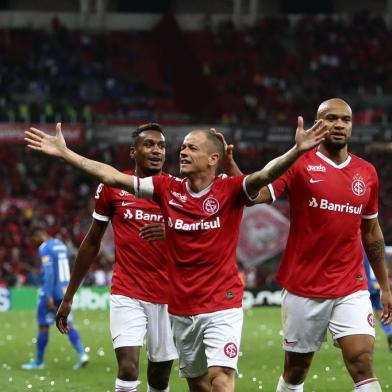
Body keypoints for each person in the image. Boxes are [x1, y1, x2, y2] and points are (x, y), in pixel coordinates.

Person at [25, 117, 329, 392]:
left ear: (212, 159)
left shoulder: (230, 188)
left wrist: (297, 150)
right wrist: (66, 154)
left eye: (190, 148)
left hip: (219, 303)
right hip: (177, 306)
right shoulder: (166, 188)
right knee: (189, 382)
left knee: (220, 379)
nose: (180, 152)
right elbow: (113, 178)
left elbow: (263, 176)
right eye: (182, 147)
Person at [236, 98, 392, 392]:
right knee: (295, 371)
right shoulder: (298, 165)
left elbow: (371, 232)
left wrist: (384, 286)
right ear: (316, 124)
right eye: (330, 118)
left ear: (351, 126)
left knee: (361, 361)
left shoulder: (367, 172)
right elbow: (252, 196)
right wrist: (295, 151)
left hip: (350, 284)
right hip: (304, 286)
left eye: (344, 120)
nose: (338, 125)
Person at [55, 123, 178, 392]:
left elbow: (201, 237)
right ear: (133, 152)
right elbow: (91, 243)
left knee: (159, 377)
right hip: (127, 291)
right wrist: (68, 296)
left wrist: (171, 231)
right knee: (128, 368)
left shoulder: (176, 190)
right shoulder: (112, 188)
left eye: (161, 146)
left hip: (169, 296)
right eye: (149, 145)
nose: (156, 150)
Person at [21, 227, 89, 370]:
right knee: (67, 323)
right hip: (64, 291)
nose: (34, 244)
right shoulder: (60, 244)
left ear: (39, 235)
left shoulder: (44, 248)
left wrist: (48, 294)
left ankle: (38, 362)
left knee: (43, 325)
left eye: (34, 240)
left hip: (52, 292)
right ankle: (82, 354)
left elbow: (50, 272)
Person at [364, 252, 392, 352]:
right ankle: (389, 332)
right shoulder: (378, 244)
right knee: (379, 310)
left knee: (362, 313)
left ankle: (361, 341)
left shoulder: (359, 243)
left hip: (364, 284)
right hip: (378, 283)